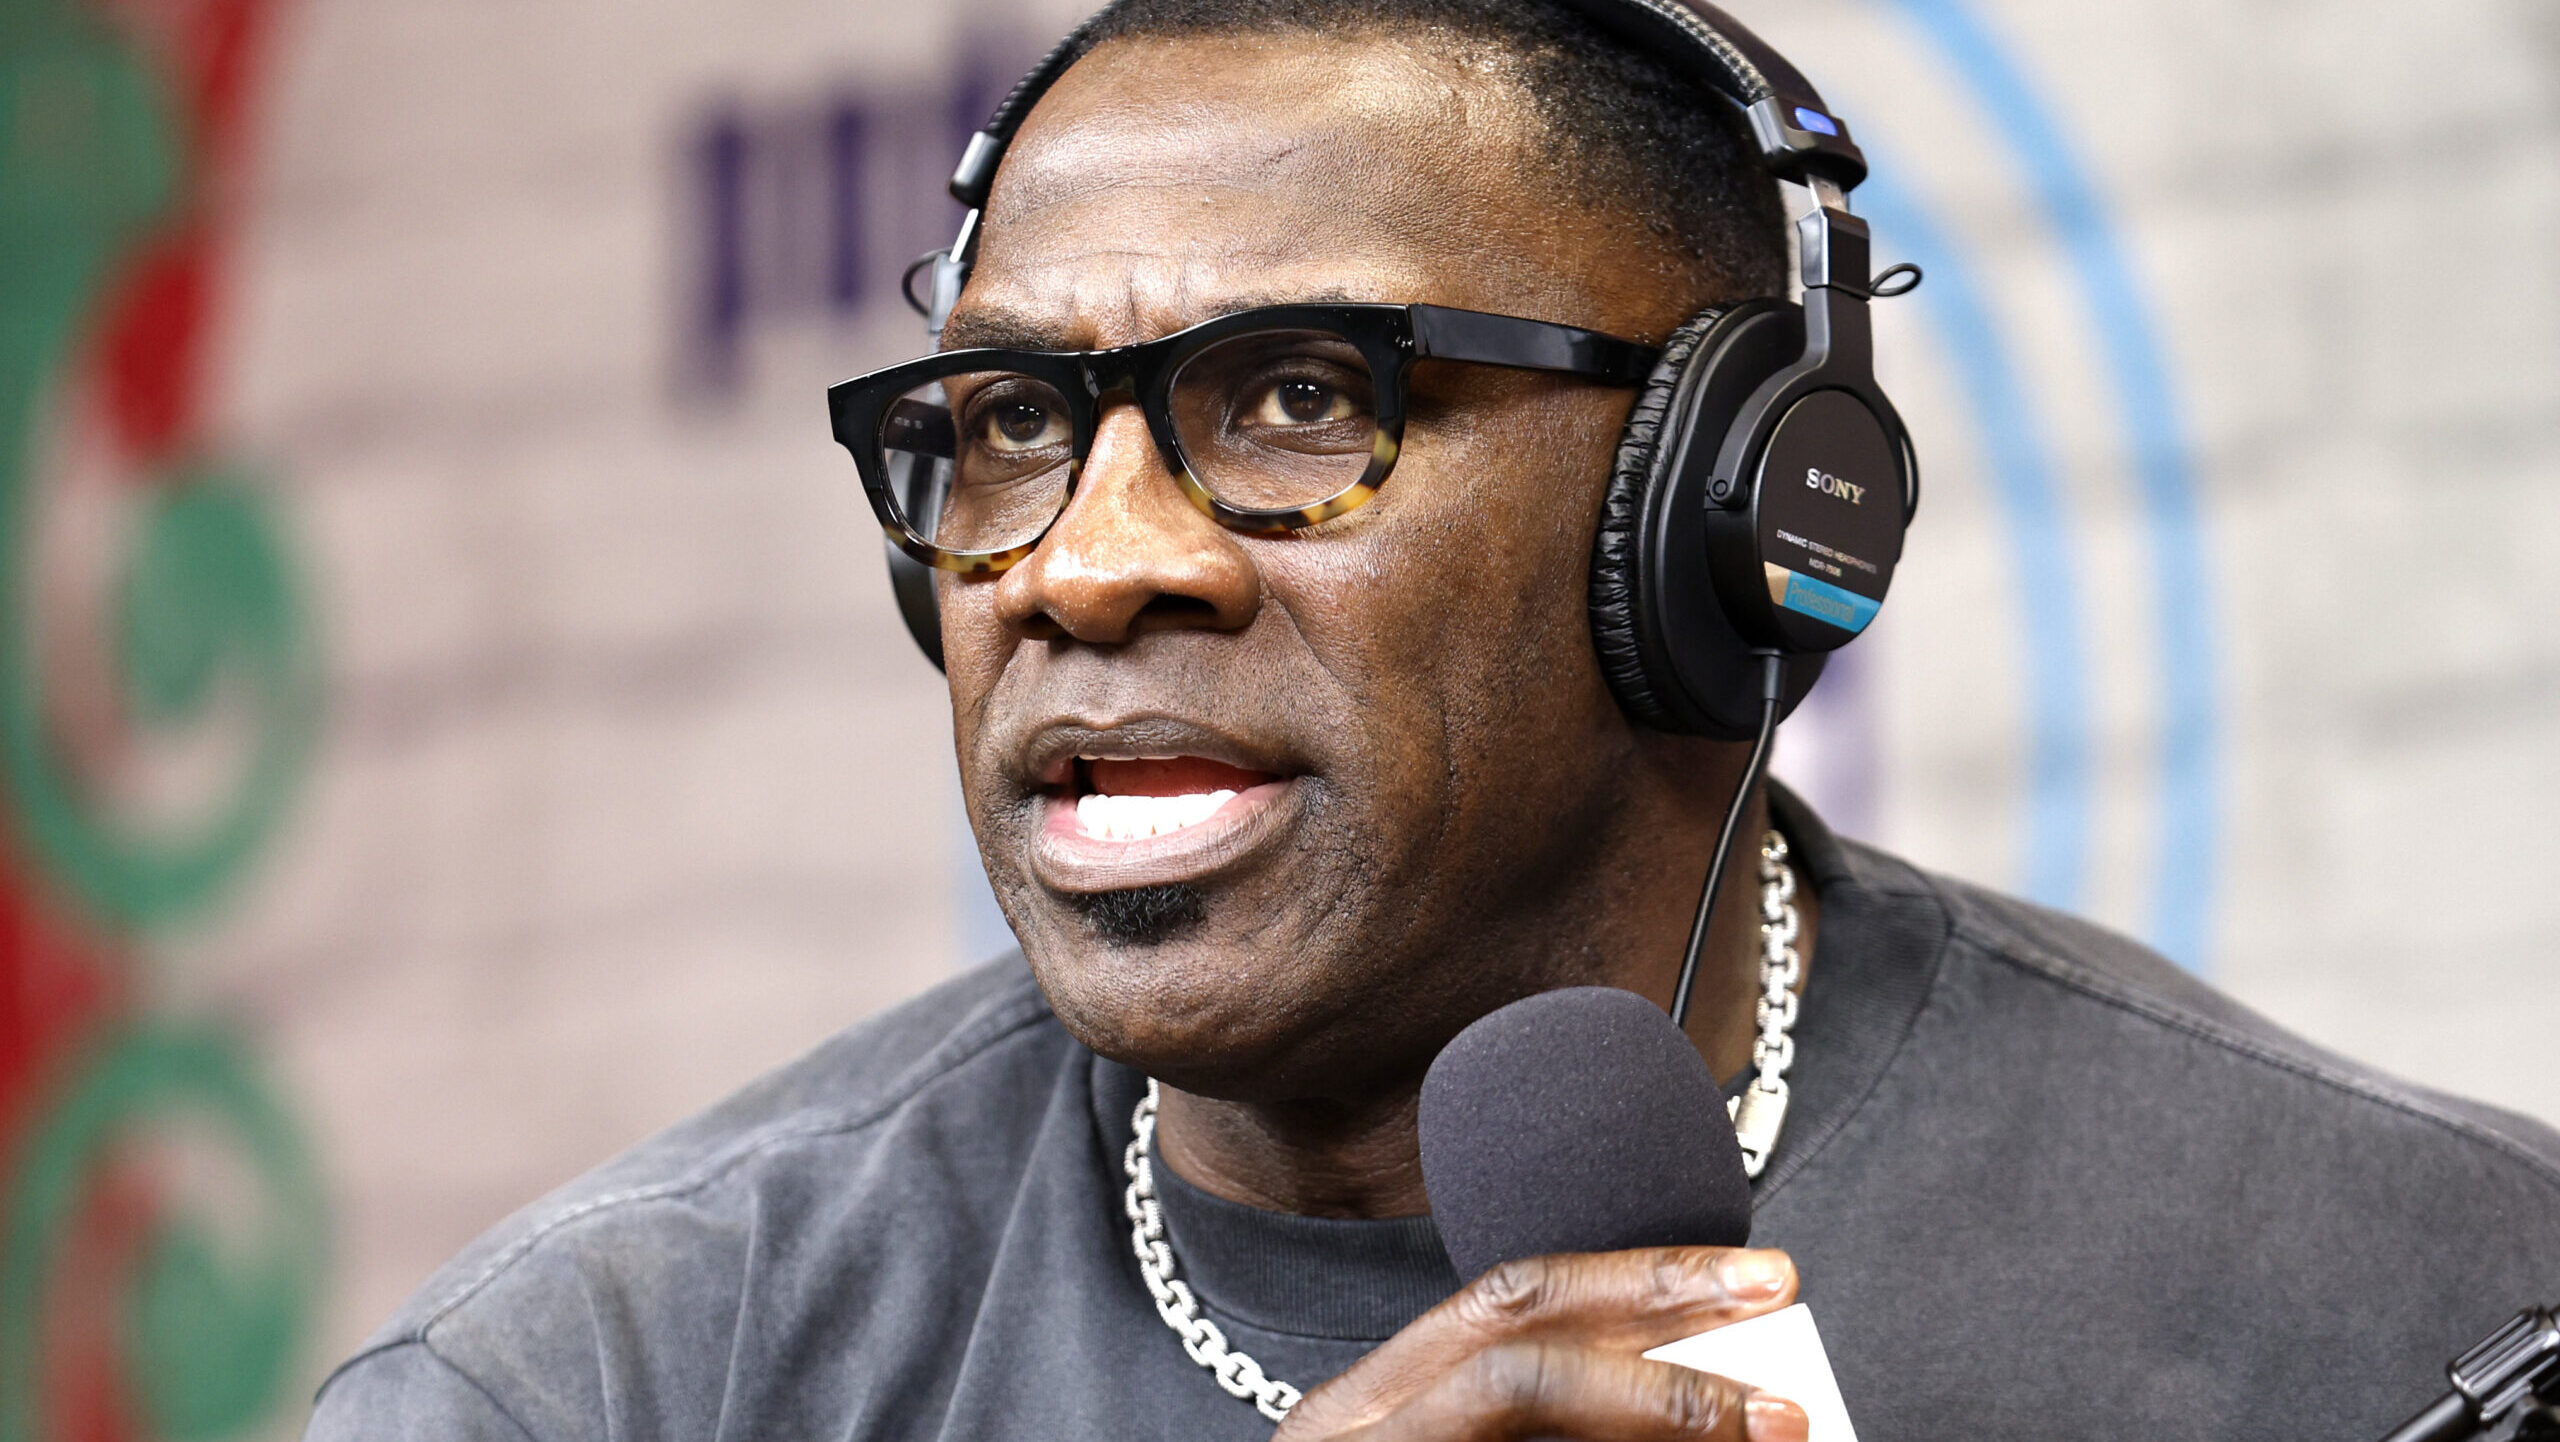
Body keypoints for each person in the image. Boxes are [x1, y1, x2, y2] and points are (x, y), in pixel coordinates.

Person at [305, 1, 2560, 1438]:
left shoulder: (2414, 1311)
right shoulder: (594, 1382)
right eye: (1008, 425)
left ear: (1722, 509)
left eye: (1302, 397)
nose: (1083, 564)